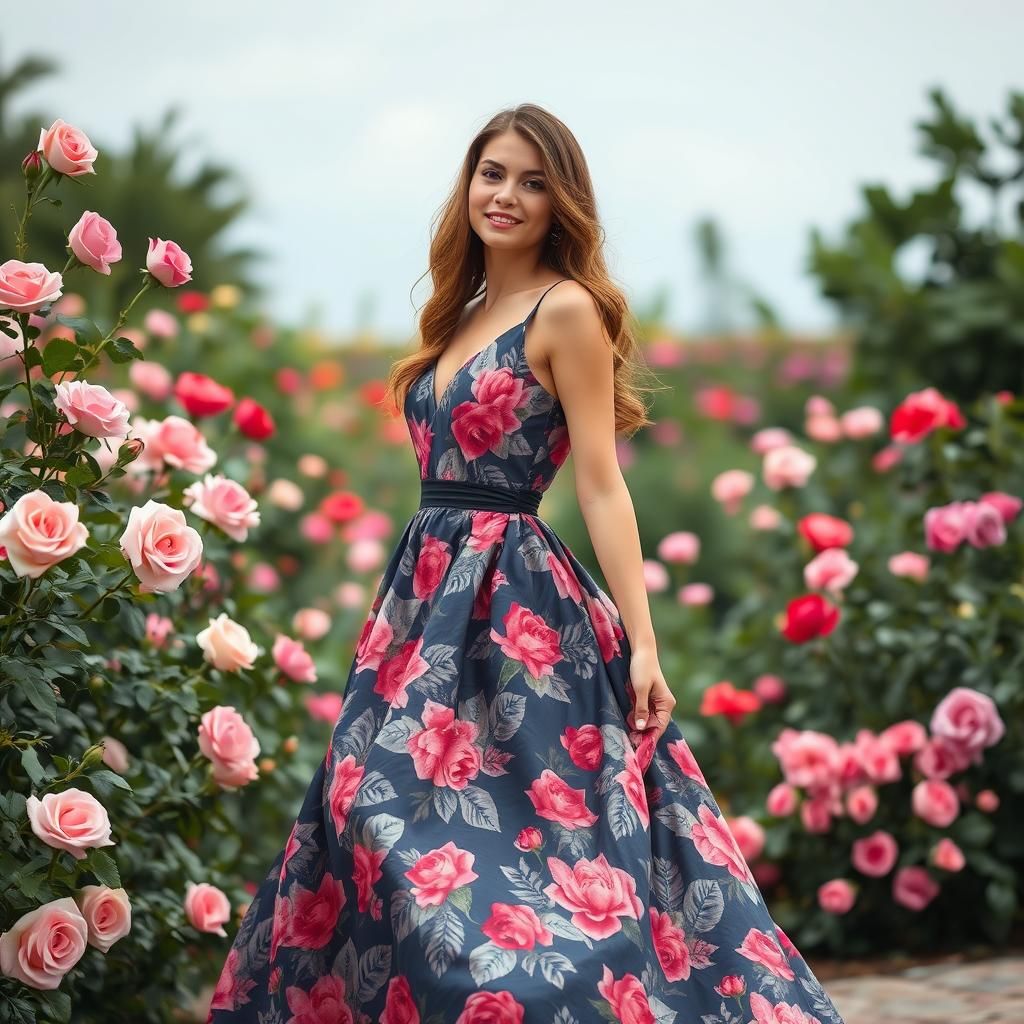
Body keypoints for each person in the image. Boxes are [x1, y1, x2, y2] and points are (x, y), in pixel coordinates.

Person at [207, 103, 846, 1024]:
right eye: (493, 173)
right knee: (362, 808)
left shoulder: (568, 310)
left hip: (517, 610)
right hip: (423, 599)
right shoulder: (461, 312)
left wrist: (645, 643)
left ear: (562, 205)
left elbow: (601, 486)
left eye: (534, 181)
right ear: (468, 185)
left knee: (534, 841)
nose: (506, 195)